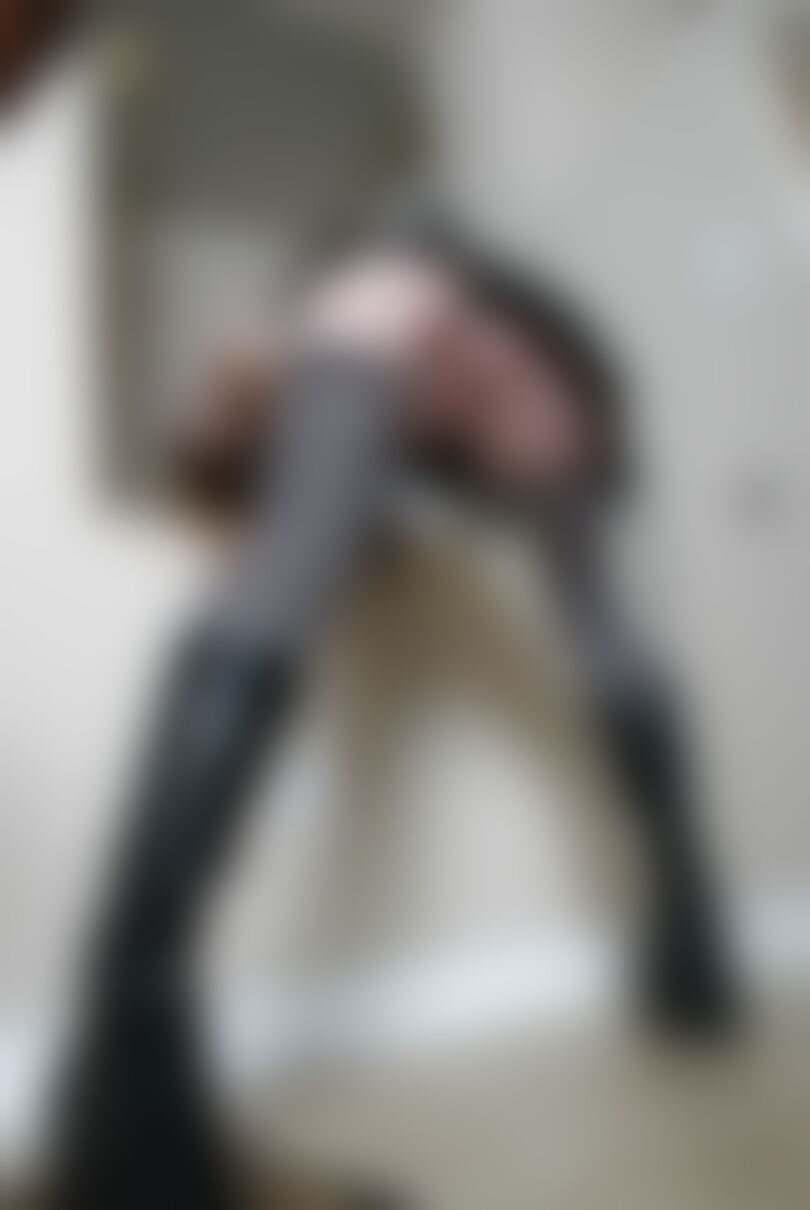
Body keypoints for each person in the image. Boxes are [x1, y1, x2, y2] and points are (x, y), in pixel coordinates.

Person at [56, 221, 736, 1210]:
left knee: (306, 578)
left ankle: (128, 1049)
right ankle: (692, 949)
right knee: (596, 620)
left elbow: (256, 449)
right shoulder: (387, 342)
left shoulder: (339, 313)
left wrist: (254, 419)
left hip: (396, 302)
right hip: (462, 341)